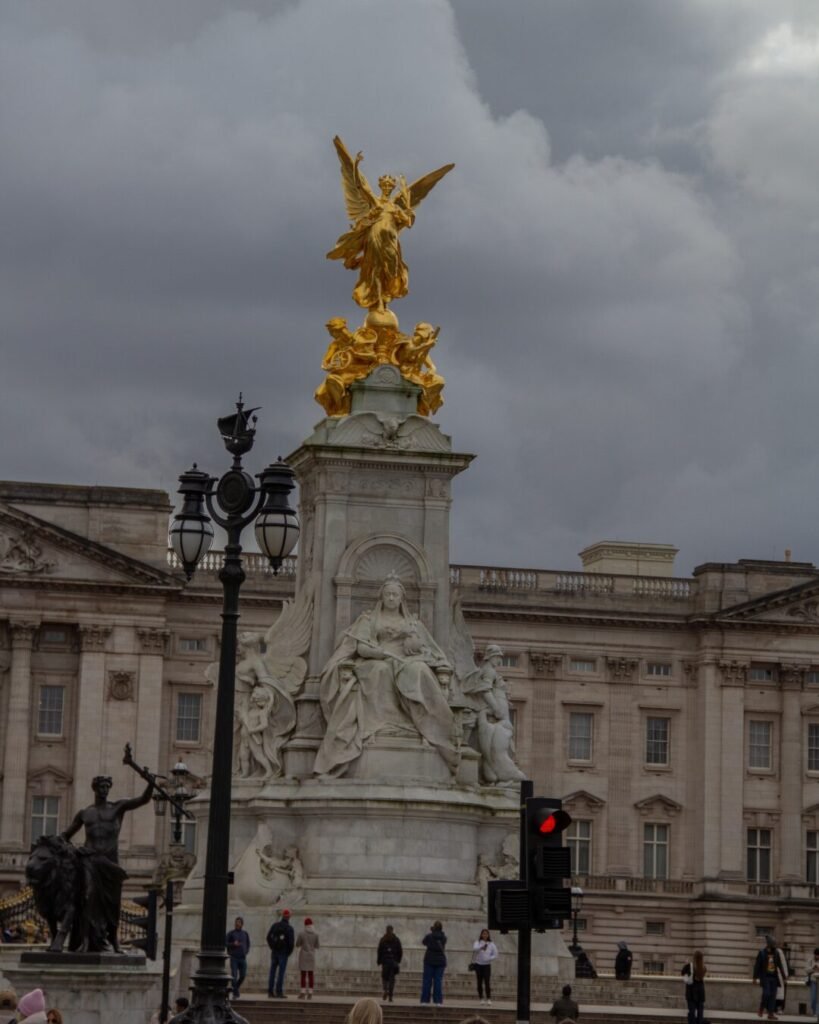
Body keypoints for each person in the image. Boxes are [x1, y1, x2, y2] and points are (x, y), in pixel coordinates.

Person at [314, 575, 455, 777]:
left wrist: (414, 647)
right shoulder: (368, 619)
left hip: (405, 660)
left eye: (395, 594)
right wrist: (377, 653)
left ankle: (426, 725)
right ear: (382, 596)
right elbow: (361, 647)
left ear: (401, 598)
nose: (391, 598)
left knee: (420, 671)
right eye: (388, 594)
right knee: (380, 671)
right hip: (376, 659)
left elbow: (426, 647)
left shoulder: (412, 623)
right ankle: (378, 727)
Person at [61, 773, 154, 952]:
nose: (104, 790)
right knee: (88, 896)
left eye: (107, 787)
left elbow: (143, 799)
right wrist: (75, 850)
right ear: (94, 788)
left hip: (110, 864)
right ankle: (86, 940)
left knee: (114, 904)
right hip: (90, 860)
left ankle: (114, 941)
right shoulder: (85, 813)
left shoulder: (118, 807)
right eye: (101, 787)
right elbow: (65, 836)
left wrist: (150, 784)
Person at [754, 934, 788, 1020]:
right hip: (765, 977)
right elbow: (757, 966)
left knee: (773, 996)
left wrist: (784, 977)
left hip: (774, 978)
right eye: (773, 944)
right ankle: (761, 1008)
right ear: (769, 944)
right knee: (766, 993)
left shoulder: (776, 953)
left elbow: (780, 965)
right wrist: (754, 977)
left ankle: (770, 1014)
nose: (774, 946)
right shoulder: (762, 953)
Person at [266, 908, 295, 998]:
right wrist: (288, 952)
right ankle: (279, 992)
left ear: (282, 916)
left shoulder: (275, 925)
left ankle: (270, 991)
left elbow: (268, 937)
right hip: (283, 952)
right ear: (289, 917)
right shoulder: (289, 928)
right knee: (281, 973)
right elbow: (291, 943)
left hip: (275, 951)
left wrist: (272, 947)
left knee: (272, 972)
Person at [420, 920, 447, 1006]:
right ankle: (438, 1001)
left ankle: (425, 1000)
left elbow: (424, 942)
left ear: (433, 927)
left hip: (429, 960)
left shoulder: (429, 936)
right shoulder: (444, 937)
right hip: (440, 961)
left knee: (427, 981)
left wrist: (432, 932)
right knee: (438, 981)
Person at [225, 915, 251, 1000]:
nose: (237, 924)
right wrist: (233, 944)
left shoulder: (245, 933)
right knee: (234, 975)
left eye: (239, 922)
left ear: (242, 924)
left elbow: (248, 943)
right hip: (234, 957)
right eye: (236, 922)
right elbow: (225, 943)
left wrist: (246, 951)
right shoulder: (231, 933)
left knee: (243, 975)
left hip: (242, 958)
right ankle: (236, 993)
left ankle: (235, 989)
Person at [471, 928, 498, 1006]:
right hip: (478, 965)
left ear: (488, 935)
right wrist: (481, 947)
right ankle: (481, 998)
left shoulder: (491, 944)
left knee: (487, 982)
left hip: (487, 965)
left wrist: (489, 958)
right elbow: (475, 949)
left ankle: (489, 998)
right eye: (483, 934)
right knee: (479, 982)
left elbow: (496, 954)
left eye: (486, 934)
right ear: (481, 935)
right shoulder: (478, 942)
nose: (485, 935)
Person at [377, 924, 403, 1003]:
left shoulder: (383, 939)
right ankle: (390, 996)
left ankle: (385, 989)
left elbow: (379, 951)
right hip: (393, 962)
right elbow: (400, 951)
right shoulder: (396, 939)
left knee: (384, 977)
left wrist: (379, 961)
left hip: (385, 962)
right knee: (392, 979)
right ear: (392, 930)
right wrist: (398, 960)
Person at [296, 917, 320, 999]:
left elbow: (297, 944)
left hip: (303, 955)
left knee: (303, 974)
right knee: (311, 974)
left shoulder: (301, 933)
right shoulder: (316, 934)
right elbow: (317, 946)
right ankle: (310, 993)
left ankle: (302, 992)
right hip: (311, 955)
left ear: (305, 924)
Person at [681, 950, 706, 1024]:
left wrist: (685, 964)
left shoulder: (689, 966)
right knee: (700, 1012)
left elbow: (682, 972)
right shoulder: (703, 968)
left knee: (692, 1011)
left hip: (691, 992)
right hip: (700, 992)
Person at [806, 947, 819, 1018]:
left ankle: (817, 1013)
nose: (817, 956)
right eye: (816, 955)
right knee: (813, 998)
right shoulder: (810, 960)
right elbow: (806, 970)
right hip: (813, 981)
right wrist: (813, 968)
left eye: (818, 955)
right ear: (814, 955)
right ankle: (814, 1011)